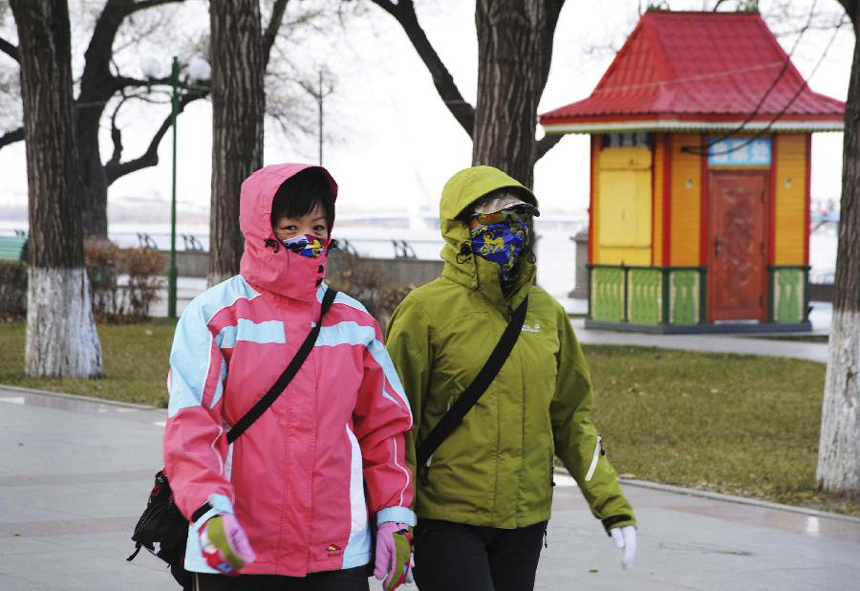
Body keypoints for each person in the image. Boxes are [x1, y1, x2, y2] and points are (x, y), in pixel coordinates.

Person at [163, 163, 415, 591]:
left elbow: (385, 428)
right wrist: (208, 510)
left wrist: (394, 515)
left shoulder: (353, 321)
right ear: (263, 229)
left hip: (337, 551)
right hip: (235, 546)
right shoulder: (215, 316)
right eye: (291, 225)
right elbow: (191, 425)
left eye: (318, 226)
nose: (309, 238)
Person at [385, 165, 637, 591]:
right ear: (462, 228)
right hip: (448, 518)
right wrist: (393, 517)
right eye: (494, 220)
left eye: (519, 219)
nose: (510, 231)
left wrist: (611, 505)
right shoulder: (425, 311)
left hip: (525, 519)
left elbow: (572, 418)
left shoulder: (547, 314)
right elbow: (393, 424)